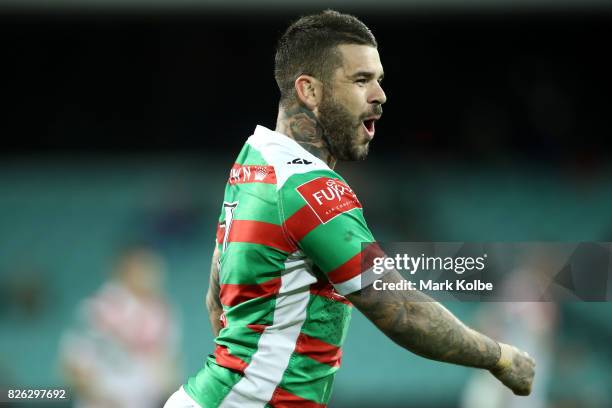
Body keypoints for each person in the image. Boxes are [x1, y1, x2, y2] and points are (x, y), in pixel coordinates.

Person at [165, 10, 535, 408]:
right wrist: (500, 357)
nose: (380, 95)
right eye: (361, 81)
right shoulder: (310, 188)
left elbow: (215, 297)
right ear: (309, 90)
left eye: (378, 80)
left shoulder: (254, 159)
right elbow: (403, 313)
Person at [60, 245, 181, 408]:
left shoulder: (162, 311)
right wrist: (106, 397)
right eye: (146, 266)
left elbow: (169, 365)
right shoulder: (99, 308)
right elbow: (72, 368)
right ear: (127, 270)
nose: (155, 273)